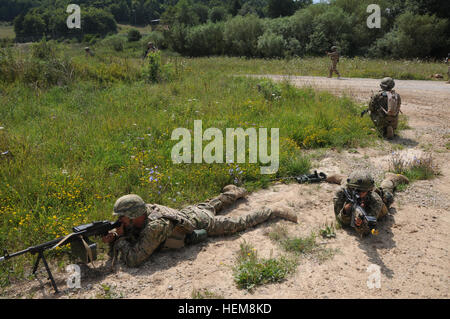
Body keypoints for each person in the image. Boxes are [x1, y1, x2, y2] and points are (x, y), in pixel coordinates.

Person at [102, 185, 297, 267]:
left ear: (134, 215)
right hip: (188, 212)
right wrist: (117, 233)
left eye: (123, 217)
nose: (121, 221)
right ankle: (234, 192)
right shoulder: (145, 211)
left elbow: (135, 258)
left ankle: (272, 210)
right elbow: (133, 230)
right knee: (212, 205)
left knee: (237, 224)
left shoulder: (155, 227)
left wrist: (119, 240)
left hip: (201, 222)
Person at [330, 170, 408, 236]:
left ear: (368, 190)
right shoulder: (342, 191)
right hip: (351, 185)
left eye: (363, 191)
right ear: (350, 187)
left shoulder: (376, 200)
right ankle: (340, 177)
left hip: (374, 199)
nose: (359, 194)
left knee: (387, 196)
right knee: (345, 181)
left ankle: (391, 178)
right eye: (356, 190)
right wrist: (345, 210)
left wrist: (359, 225)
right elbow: (339, 219)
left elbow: (366, 230)